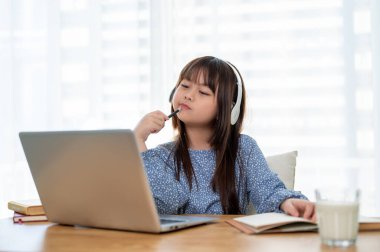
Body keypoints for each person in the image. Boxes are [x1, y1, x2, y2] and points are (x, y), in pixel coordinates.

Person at [134, 56, 316, 220]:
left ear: (228, 108)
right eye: (185, 86)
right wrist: (138, 142)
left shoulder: (243, 148)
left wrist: (287, 202)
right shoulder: (161, 156)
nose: (188, 95)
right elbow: (162, 204)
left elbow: (267, 190)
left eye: (204, 92)